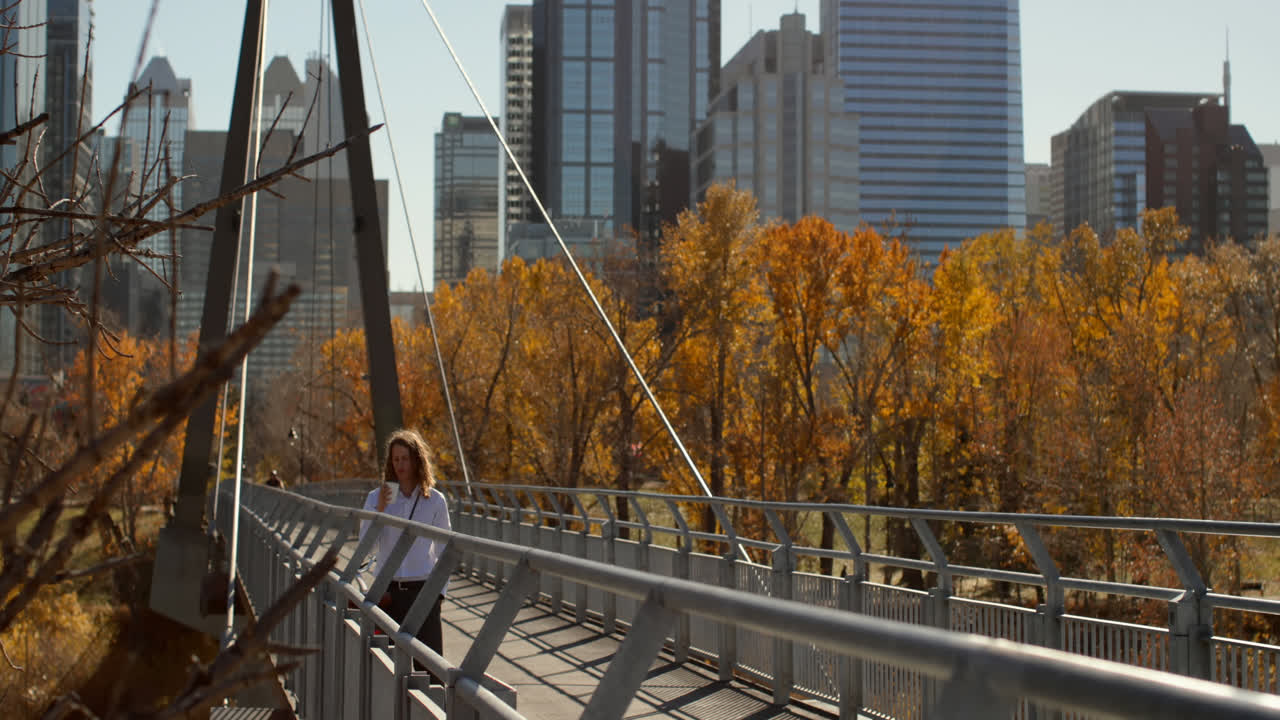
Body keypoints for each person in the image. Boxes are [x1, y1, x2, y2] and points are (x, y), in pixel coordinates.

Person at [360, 429, 451, 666]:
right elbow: (365, 548)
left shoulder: (435, 500)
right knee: (385, 669)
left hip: (423, 592)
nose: (400, 464)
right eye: (395, 459)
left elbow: (445, 551)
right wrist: (378, 511)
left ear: (416, 460)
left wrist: (439, 594)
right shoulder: (376, 498)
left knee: (429, 670)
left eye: (405, 458)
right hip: (388, 592)